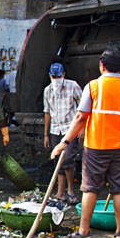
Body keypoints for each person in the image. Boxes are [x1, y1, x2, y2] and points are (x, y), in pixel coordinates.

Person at [52, 48, 120, 238]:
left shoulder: (93, 86)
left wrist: (64, 142)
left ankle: (83, 232)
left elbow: (81, 116)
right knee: (119, 189)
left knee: (90, 188)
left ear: (102, 66)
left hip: (96, 146)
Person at [43, 62, 83, 204]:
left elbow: (83, 107)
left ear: (63, 75)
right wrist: (46, 134)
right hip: (55, 129)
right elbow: (47, 112)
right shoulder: (47, 90)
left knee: (68, 159)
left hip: (70, 129)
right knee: (57, 160)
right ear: (50, 76)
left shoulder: (73, 86)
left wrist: (82, 128)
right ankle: (60, 193)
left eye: (58, 76)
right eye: (53, 77)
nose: (56, 79)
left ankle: (71, 190)